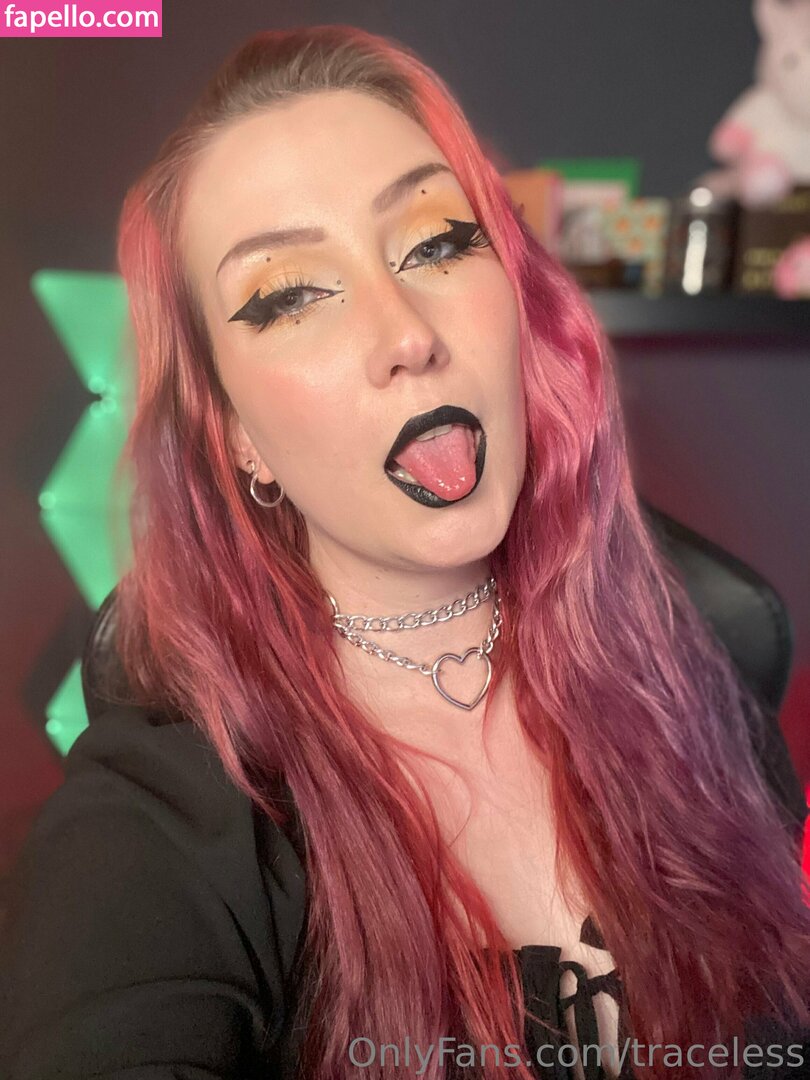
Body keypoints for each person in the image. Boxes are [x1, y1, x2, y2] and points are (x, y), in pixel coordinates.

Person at [1, 23, 809, 1080]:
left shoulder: (699, 664)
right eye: (290, 296)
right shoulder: (162, 819)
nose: (405, 332)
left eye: (435, 243)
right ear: (236, 434)